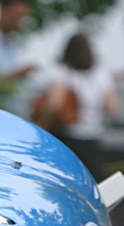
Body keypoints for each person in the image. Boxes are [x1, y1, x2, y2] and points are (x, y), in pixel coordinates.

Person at [40, 32, 119, 178]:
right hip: (93, 137)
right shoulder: (103, 75)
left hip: (68, 137)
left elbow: (54, 105)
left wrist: (42, 125)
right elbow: (112, 108)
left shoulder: (64, 73)